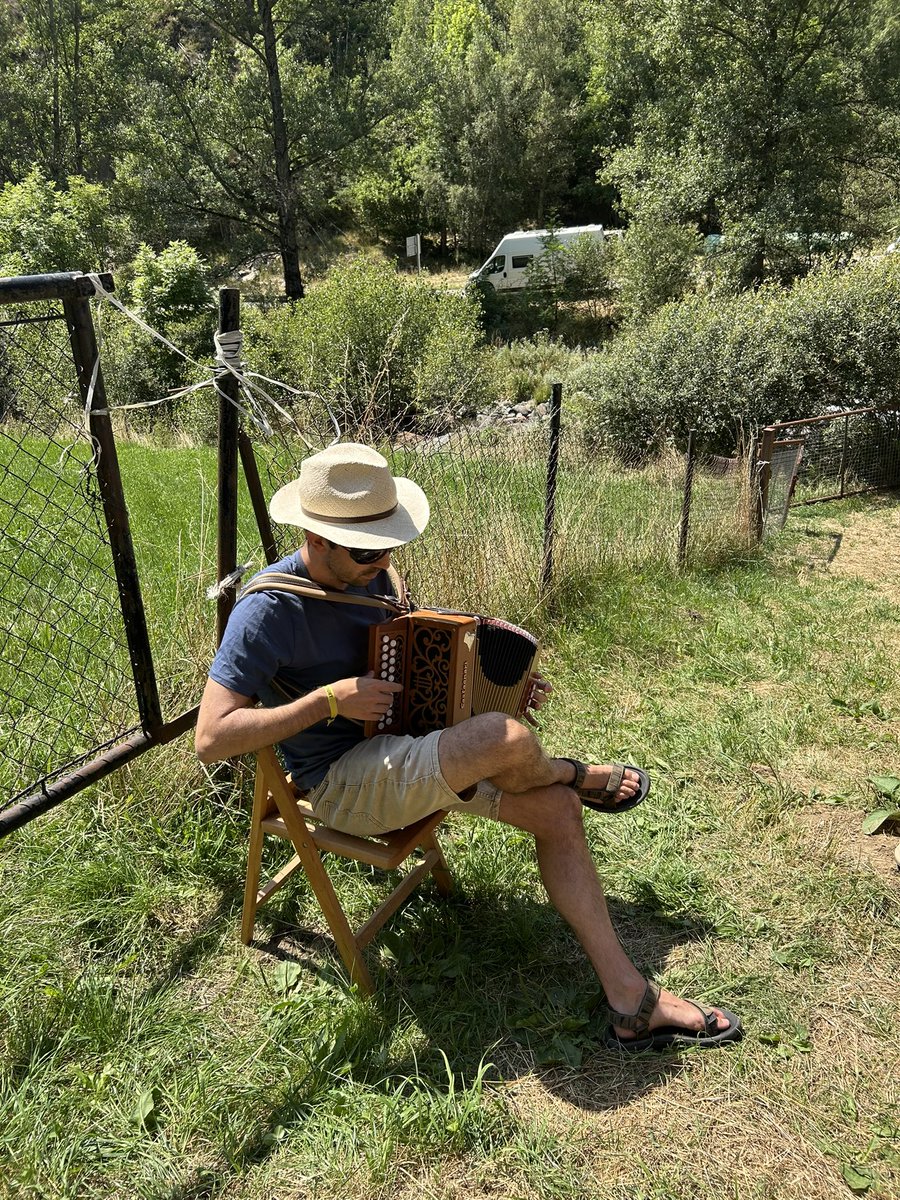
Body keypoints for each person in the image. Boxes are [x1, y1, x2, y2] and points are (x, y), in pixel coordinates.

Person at [196, 443, 742, 1051]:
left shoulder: (376, 581)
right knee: (507, 745)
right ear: (314, 538)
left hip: (405, 749)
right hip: (340, 784)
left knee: (553, 807)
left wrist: (499, 690)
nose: (382, 560)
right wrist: (327, 701)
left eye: (389, 543)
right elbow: (211, 739)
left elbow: (427, 674)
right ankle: (569, 771)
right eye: (366, 549)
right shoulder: (269, 612)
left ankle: (630, 1002)